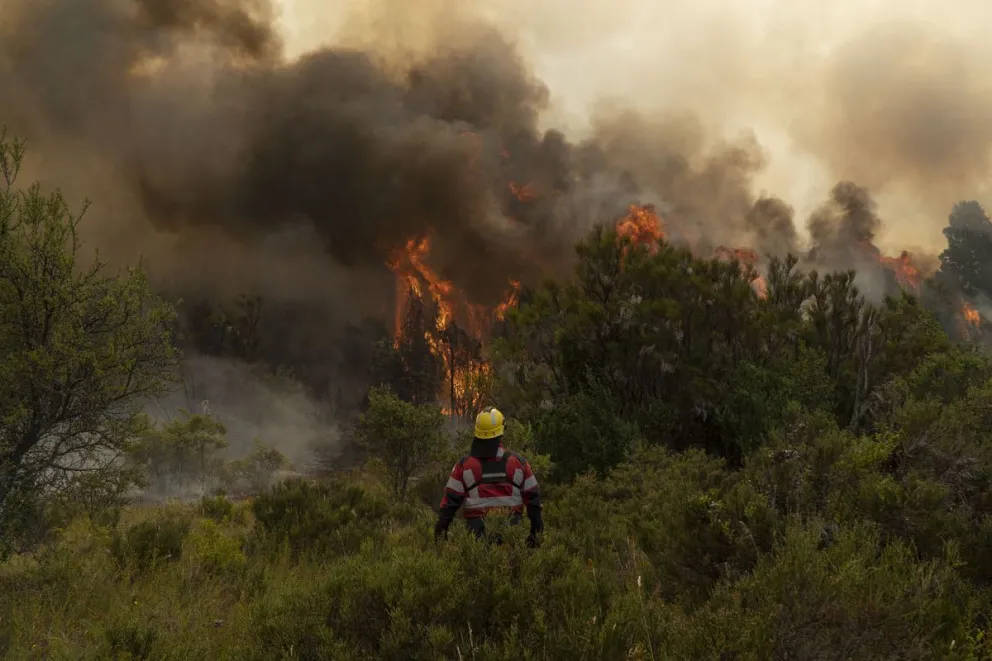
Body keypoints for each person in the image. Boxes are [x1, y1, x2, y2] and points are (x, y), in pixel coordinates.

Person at [434, 407, 543, 547]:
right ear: (501, 432)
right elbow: (534, 500)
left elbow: (449, 504)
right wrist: (535, 534)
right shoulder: (518, 463)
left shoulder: (465, 465)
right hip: (513, 540)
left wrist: (439, 535)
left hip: (477, 541)